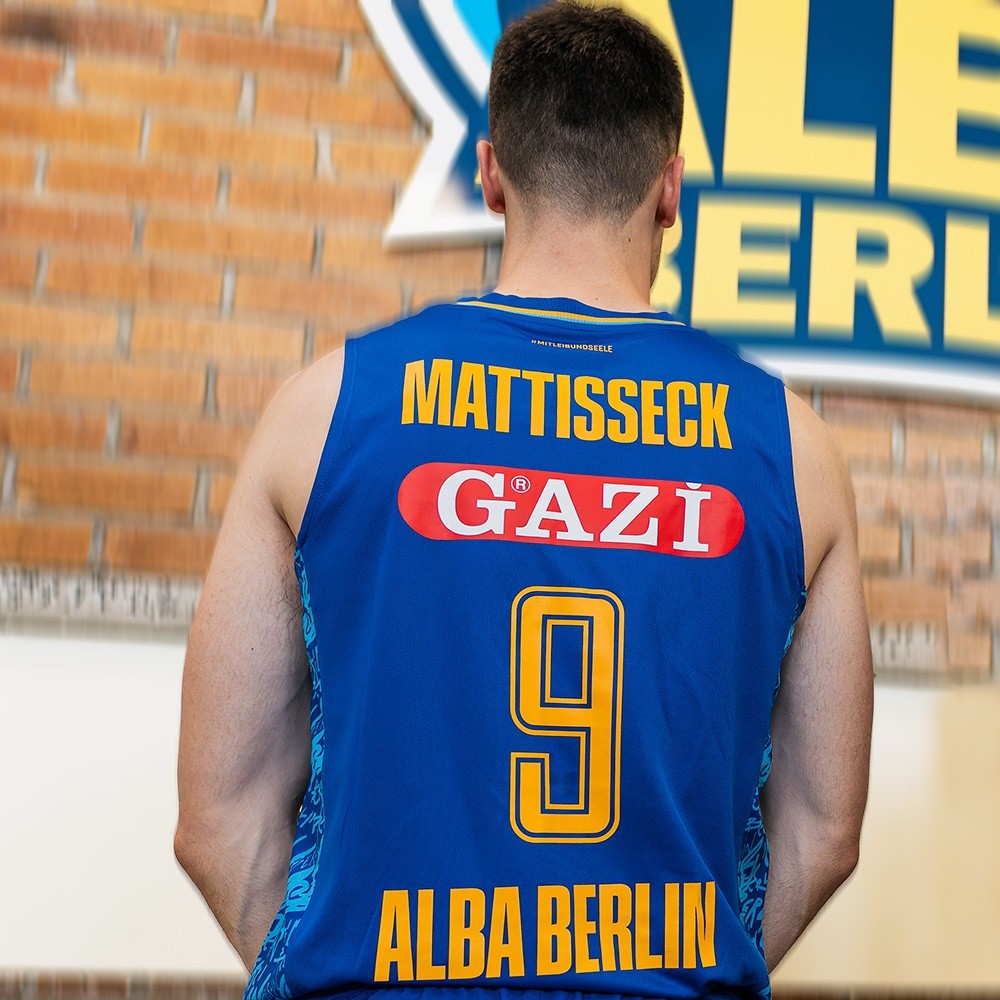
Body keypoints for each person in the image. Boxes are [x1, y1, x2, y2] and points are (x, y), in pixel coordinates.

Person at [174, 4, 874, 999]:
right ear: (670, 187)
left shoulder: (322, 410)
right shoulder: (794, 450)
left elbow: (216, 821)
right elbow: (825, 829)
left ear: (492, 172)